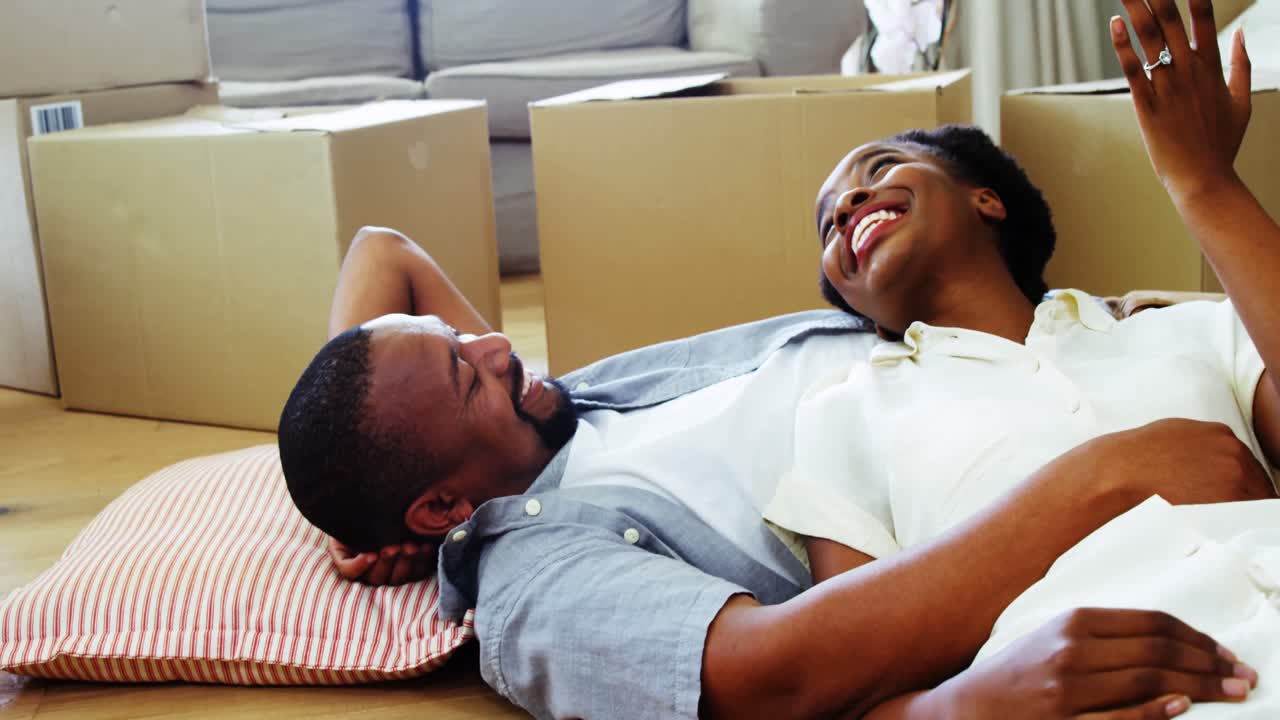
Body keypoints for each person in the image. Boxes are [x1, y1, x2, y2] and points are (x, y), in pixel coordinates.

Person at [277, 1, 1271, 716]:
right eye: (463, 372)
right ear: (443, 509)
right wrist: (1103, 477)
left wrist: (357, 483)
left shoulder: (580, 398)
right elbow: (771, 674)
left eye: (465, 341)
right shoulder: (537, 572)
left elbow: (384, 251)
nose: (497, 343)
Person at [764, 0, 1280, 716]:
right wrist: (978, 705)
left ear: (986, 200)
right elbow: (847, 675)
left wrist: (1205, 185)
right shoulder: (844, 411)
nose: (848, 202)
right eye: (829, 224)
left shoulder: (1192, 329)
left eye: (880, 169)